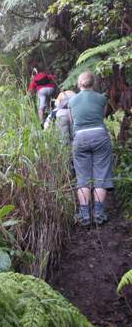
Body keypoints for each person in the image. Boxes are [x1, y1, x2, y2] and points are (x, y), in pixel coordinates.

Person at [69, 72, 113, 227]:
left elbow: (73, 121)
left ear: (78, 84)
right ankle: (99, 214)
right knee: (101, 175)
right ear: (93, 83)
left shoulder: (71, 100)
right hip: (100, 136)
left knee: (83, 177)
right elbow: (102, 117)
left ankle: (84, 215)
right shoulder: (102, 98)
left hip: (80, 138)